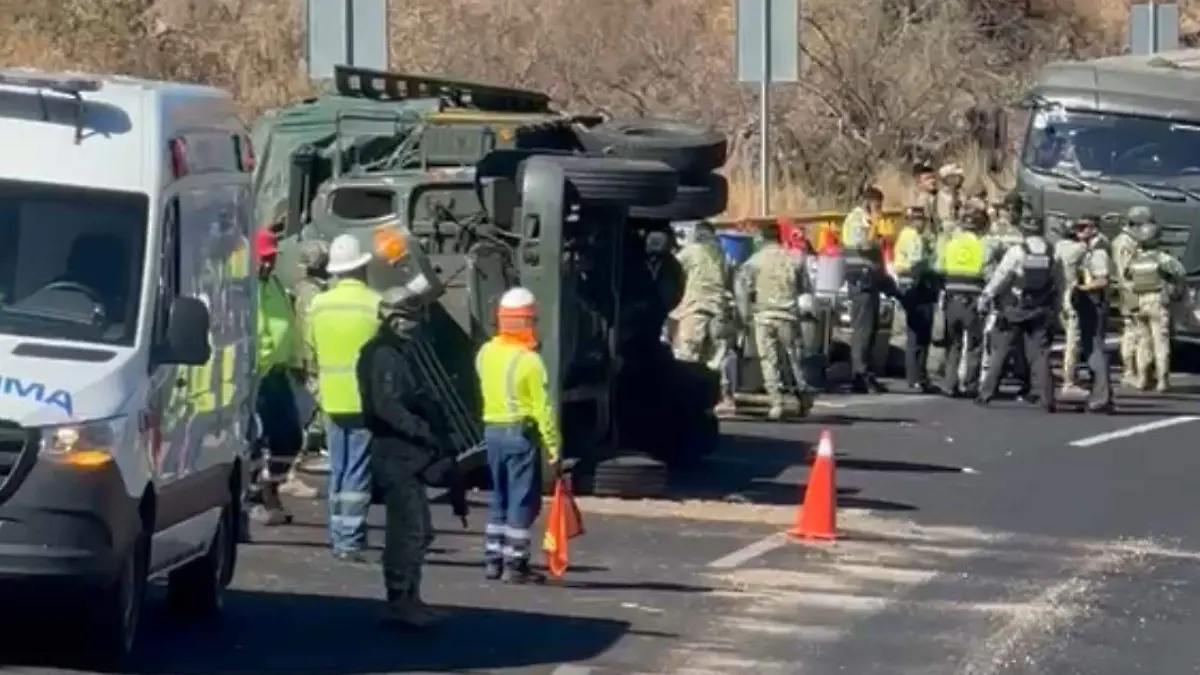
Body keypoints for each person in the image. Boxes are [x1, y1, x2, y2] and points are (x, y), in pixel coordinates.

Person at [357, 286, 452, 631]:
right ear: (394, 319)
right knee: (407, 532)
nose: (415, 325)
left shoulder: (396, 353)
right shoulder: (383, 355)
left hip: (407, 453)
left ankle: (412, 596)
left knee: (420, 531)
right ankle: (400, 600)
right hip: (395, 452)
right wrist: (421, 430)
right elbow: (387, 406)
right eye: (410, 318)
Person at [477, 287, 562, 584]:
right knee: (521, 500)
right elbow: (543, 409)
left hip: (492, 433)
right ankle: (515, 564)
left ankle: (493, 559)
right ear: (527, 321)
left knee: (499, 496)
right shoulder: (529, 360)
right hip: (519, 435)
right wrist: (553, 447)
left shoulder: (485, 353)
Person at [308, 234, 382, 561]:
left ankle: (338, 534)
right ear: (362, 268)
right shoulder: (375, 304)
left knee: (338, 468)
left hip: (331, 399)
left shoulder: (319, 305)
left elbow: (312, 346)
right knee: (358, 470)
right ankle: (350, 540)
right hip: (364, 400)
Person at [976, 210, 1058, 411]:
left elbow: (1001, 276)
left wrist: (987, 296)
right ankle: (1046, 398)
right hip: (1040, 309)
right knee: (1040, 354)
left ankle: (986, 393)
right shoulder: (1052, 251)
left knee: (1002, 350)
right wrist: (1057, 307)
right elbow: (1059, 281)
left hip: (1016, 308)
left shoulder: (1017, 251)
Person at [736, 222, 814, 419]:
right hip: (788, 315)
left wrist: (745, 316)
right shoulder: (793, 259)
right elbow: (805, 288)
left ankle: (776, 402)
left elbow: (743, 290)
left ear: (762, 238)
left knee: (768, 360)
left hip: (763, 316)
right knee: (795, 358)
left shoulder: (754, 261)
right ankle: (805, 397)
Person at [251, 226, 302, 526]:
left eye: (272, 257)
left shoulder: (274, 284)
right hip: (254, 375)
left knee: (289, 437)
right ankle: (256, 497)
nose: (269, 263)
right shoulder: (244, 287)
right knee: (255, 440)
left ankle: (270, 488)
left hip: (277, 373)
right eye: (264, 257)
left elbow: (285, 324)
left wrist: (294, 360)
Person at [279, 239, 330, 499]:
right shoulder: (312, 293)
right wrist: (313, 363)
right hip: (309, 363)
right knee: (305, 414)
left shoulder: (302, 289)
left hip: (303, 361)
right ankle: (289, 472)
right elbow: (310, 330)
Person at [672, 220, 737, 416]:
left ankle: (685, 399)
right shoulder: (721, 255)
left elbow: (671, 269)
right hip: (719, 311)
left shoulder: (691, 252)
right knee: (715, 359)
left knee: (689, 356)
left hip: (695, 310)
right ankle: (724, 398)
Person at [1124, 220, 1186, 392]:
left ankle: (1142, 378)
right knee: (1161, 341)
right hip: (1157, 301)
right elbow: (1180, 273)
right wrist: (1175, 290)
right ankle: (1162, 380)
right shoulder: (1162, 258)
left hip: (1138, 301)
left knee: (1143, 341)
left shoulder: (1134, 260)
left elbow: (1127, 277)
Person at [841, 186, 891, 394]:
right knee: (862, 329)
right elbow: (863, 245)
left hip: (870, 279)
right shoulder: (856, 220)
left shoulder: (868, 221)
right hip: (860, 279)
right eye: (877, 205)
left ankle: (867, 372)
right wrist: (877, 234)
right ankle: (859, 374)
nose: (879, 209)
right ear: (867, 203)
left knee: (871, 329)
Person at [936, 209, 990, 397]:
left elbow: (939, 267)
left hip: (951, 298)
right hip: (972, 300)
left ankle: (949, 384)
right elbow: (988, 270)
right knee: (974, 344)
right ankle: (970, 385)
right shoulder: (982, 245)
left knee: (953, 343)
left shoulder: (951, 243)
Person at [892, 205, 939, 393]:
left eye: (922, 220)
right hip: (916, 287)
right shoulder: (912, 237)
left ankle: (918, 375)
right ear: (911, 221)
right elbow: (917, 264)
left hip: (910, 286)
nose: (921, 223)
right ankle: (916, 377)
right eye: (917, 220)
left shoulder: (909, 235)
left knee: (918, 334)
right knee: (918, 334)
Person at [1069, 217, 1114, 412]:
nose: (1079, 231)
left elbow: (1102, 280)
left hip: (1095, 303)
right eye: (1077, 227)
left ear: (1095, 229)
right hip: (1087, 302)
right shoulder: (1087, 249)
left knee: (1095, 349)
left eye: (1084, 227)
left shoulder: (1099, 251)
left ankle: (1101, 398)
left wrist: (1082, 289)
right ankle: (1101, 395)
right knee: (1089, 348)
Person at [1111, 207, 1146, 388]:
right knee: (1134, 333)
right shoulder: (1125, 243)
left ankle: (1134, 371)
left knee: (1134, 332)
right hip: (1132, 292)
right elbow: (1126, 272)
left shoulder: (1131, 241)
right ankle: (1130, 371)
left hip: (1134, 290)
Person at [1053, 221, 1087, 396]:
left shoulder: (1057, 247)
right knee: (1073, 341)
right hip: (1072, 296)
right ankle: (1069, 380)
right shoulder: (1080, 249)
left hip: (1057, 297)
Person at [935, 164, 965, 236]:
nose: (955, 179)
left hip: (961, 223)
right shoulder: (942, 194)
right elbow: (943, 214)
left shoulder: (961, 193)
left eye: (957, 176)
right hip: (947, 224)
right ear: (945, 179)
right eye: (952, 177)